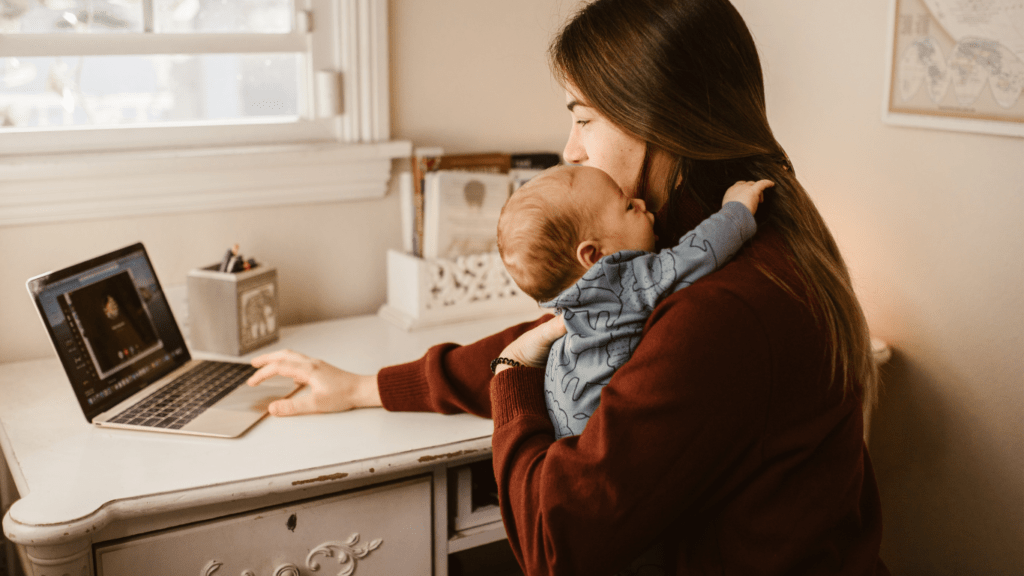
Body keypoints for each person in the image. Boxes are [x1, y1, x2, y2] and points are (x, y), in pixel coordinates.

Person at [247, 0, 889, 574]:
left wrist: (510, 379)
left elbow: (555, 547)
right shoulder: (731, 236)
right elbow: (567, 336)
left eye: (584, 119)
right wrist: (367, 387)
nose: (570, 148)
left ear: (661, 120)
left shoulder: (720, 310)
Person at [498, 164, 767, 438]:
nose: (640, 202)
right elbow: (696, 253)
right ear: (594, 256)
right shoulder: (626, 282)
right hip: (605, 440)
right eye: (628, 206)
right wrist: (736, 209)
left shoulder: (570, 314)